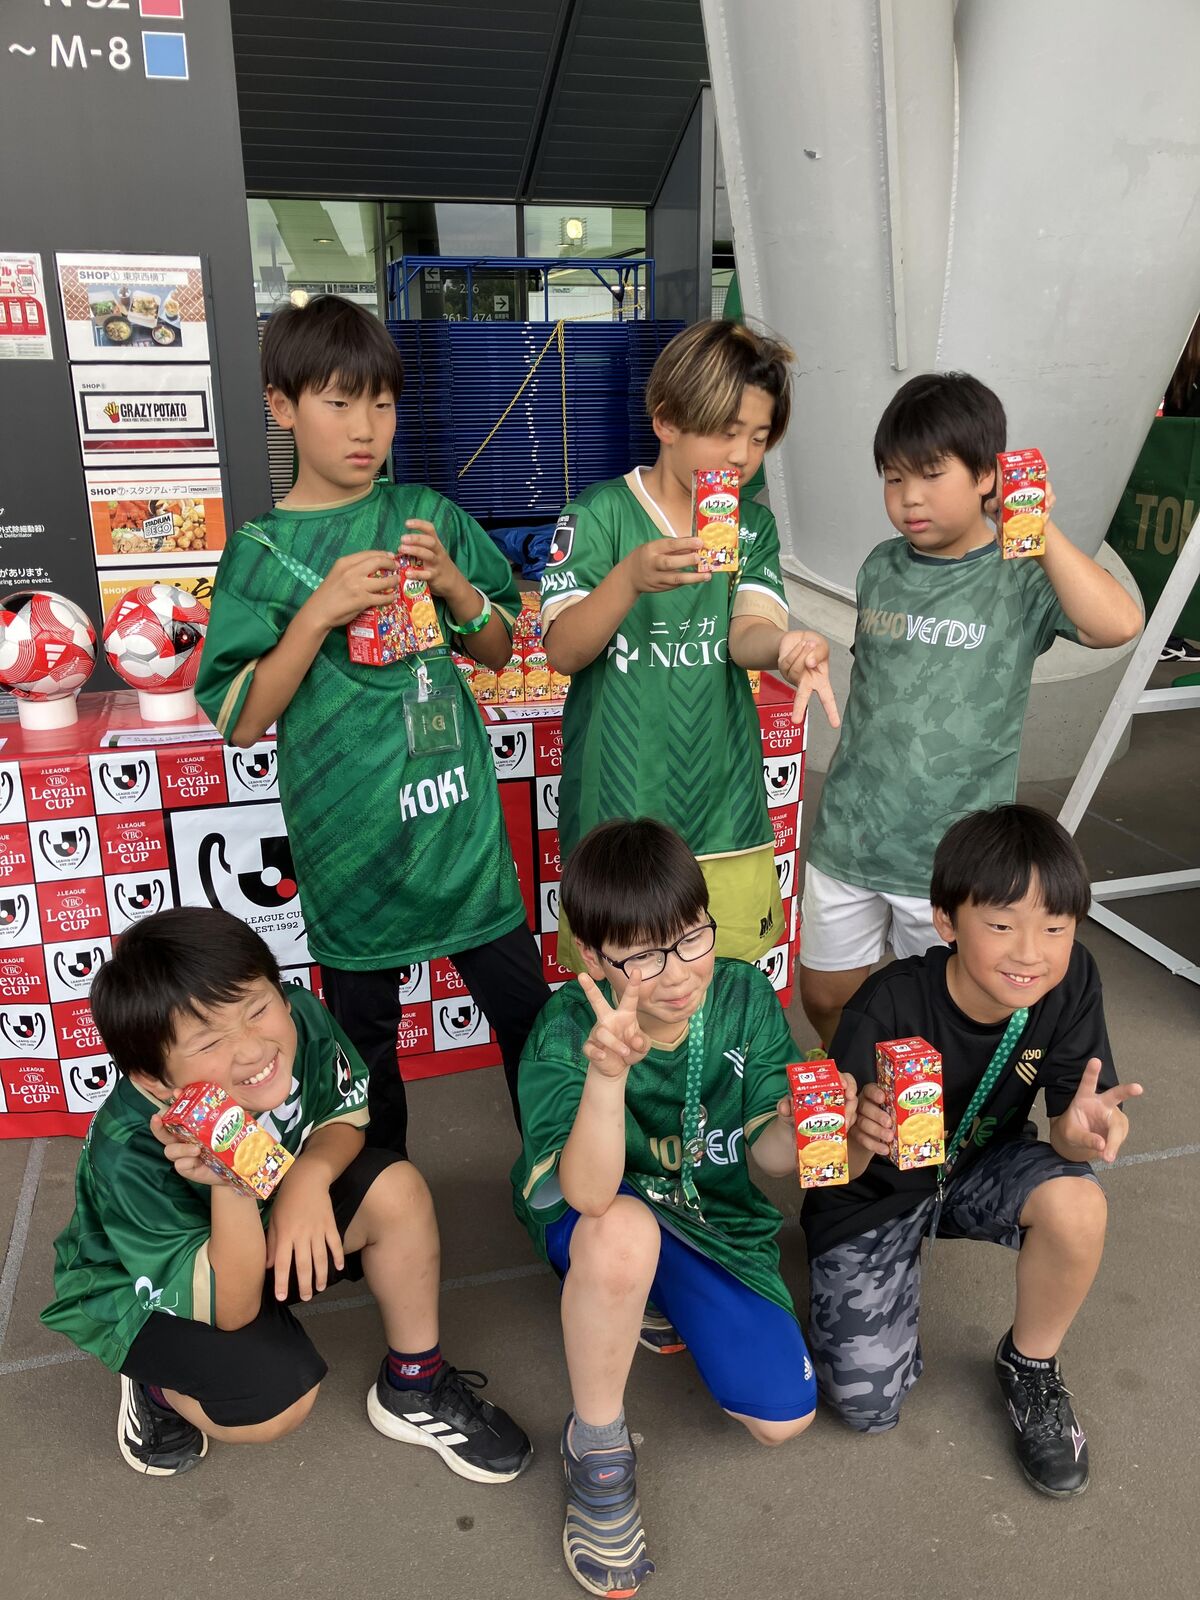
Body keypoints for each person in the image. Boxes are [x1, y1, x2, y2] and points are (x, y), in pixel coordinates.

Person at [196, 295, 549, 1153]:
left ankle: (562, 1192)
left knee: (531, 1025)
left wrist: (456, 586)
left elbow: (501, 645)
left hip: (459, 835)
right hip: (349, 850)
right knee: (366, 1053)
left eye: (383, 403)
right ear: (281, 406)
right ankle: (382, 1198)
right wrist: (318, 612)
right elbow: (240, 717)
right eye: (339, 402)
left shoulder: (424, 513)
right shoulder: (259, 551)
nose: (365, 428)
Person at [42, 908, 531, 1482]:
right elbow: (234, 1306)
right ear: (155, 1078)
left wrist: (306, 1181)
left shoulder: (297, 1014)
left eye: (257, 1009)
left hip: (267, 1214)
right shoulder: (129, 1150)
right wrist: (230, 1183)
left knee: (397, 1190)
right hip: (145, 1288)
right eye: (209, 1041)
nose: (253, 1049)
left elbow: (344, 1116)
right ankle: (156, 1388)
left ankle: (414, 1382)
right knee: (274, 1400)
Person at [512, 818, 855, 1597]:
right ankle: (597, 1447)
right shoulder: (567, 1032)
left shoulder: (741, 995)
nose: (676, 973)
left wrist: (806, 1124)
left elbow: (772, 1157)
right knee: (624, 1234)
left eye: (691, 936)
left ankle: (655, 1294)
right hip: (599, 1216)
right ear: (593, 957)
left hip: (709, 1220)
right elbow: (589, 1194)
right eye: (641, 955)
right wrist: (607, 1079)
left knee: (783, 1416)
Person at [803, 805, 1143, 1498]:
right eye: (1001, 925)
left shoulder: (1071, 981)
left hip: (980, 1168)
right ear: (947, 922)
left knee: (1078, 1203)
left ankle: (1031, 1365)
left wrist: (1084, 1130)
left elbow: (1067, 1129)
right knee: (866, 1404)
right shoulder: (885, 1006)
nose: (1031, 953)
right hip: (876, 1191)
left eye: (1055, 927)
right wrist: (858, 1137)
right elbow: (830, 1167)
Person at [799, 371, 1143, 1046]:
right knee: (826, 995)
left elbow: (1119, 624)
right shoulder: (880, 567)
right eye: (893, 478)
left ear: (988, 474)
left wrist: (1037, 530)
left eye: (931, 474)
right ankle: (861, 1089)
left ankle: (930, 1106)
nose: (909, 497)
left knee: (948, 1013)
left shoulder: (1022, 573)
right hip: (852, 834)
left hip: (954, 854)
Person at [540, 318, 839, 973]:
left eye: (758, 437)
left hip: (723, 806)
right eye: (726, 432)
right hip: (617, 808)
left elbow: (745, 633)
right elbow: (563, 651)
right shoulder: (598, 515)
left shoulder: (750, 526)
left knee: (723, 977)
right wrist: (627, 579)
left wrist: (786, 647)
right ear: (667, 421)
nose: (742, 456)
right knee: (625, 988)